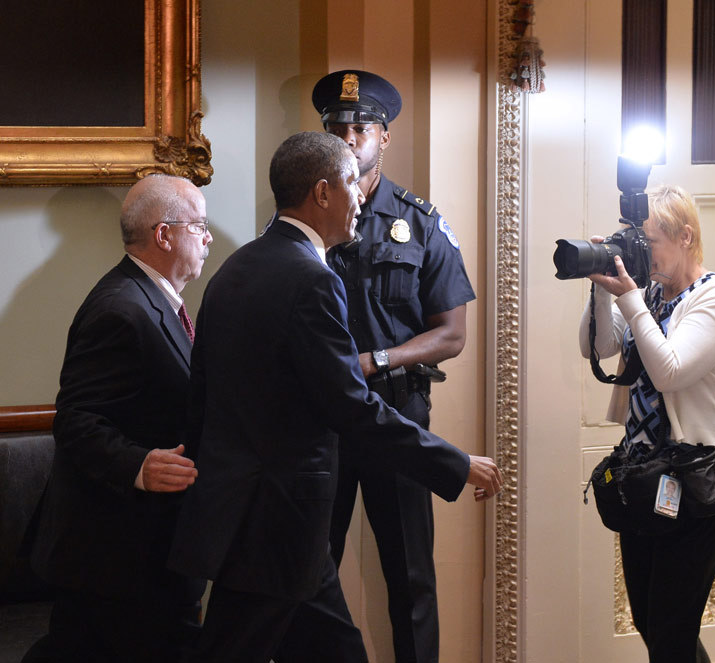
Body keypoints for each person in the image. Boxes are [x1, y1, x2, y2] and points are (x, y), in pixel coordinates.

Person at [167, 132, 501, 663]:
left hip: (252, 515)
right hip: (280, 522)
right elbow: (351, 405)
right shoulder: (310, 278)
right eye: (350, 183)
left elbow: (202, 397)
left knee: (331, 649)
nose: (361, 197)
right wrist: (455, 464)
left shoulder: (236, 268)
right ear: (322, 194)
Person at [310, 69, 476, 663]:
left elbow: (453, 334)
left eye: (362, 126)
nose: (349, 135)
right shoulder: (304, 219)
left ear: (385, 136)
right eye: (337, 127)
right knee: (311, 568)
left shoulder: (420, 221)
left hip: (397, 411)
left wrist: (376, 361)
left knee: (410, 575)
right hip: (323, 420)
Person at [27, 174, 213, 662]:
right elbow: (75, 420)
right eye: (200, 225)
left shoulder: (152, 299)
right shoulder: (120, 309)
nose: (210, 237)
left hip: (147, 557)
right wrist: (138, 465)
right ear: (164, 235)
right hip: (115, 561)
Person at [579, 184, 715, 663]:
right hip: (645, 476)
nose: (641, 252)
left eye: (648, 242)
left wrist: (631, 298)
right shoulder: (649, 293)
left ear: (686, 237)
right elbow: (601, 347)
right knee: (652, 621)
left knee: (672, 627)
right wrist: (600, 283)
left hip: (701, 477)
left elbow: (668, 370)